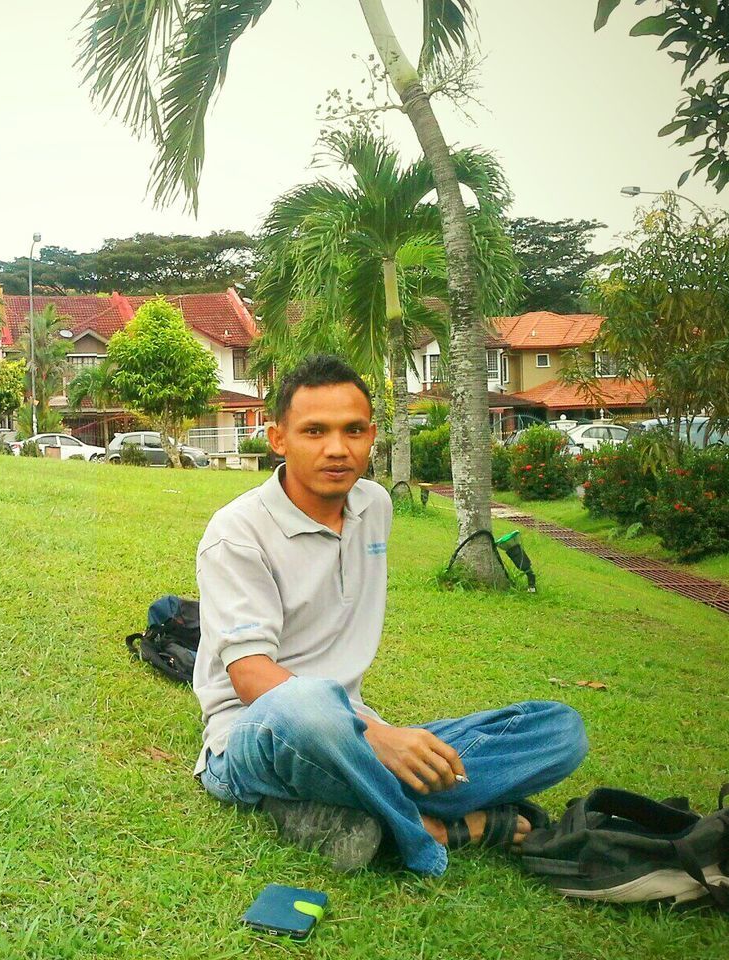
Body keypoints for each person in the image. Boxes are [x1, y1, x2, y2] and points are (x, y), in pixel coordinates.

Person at [192, 355, 586, 875]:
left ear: (372, 434)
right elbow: (249, 678)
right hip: (259, 733)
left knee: (560, 729)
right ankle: (433, 830)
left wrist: (377, 737)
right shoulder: (237, 533)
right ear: (278, 439)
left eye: (353, 430)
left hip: (353, 733)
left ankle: (341, 803)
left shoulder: (374, 505)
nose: (337, 449)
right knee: (309, 703)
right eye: (315, 431)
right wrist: (375, 737)